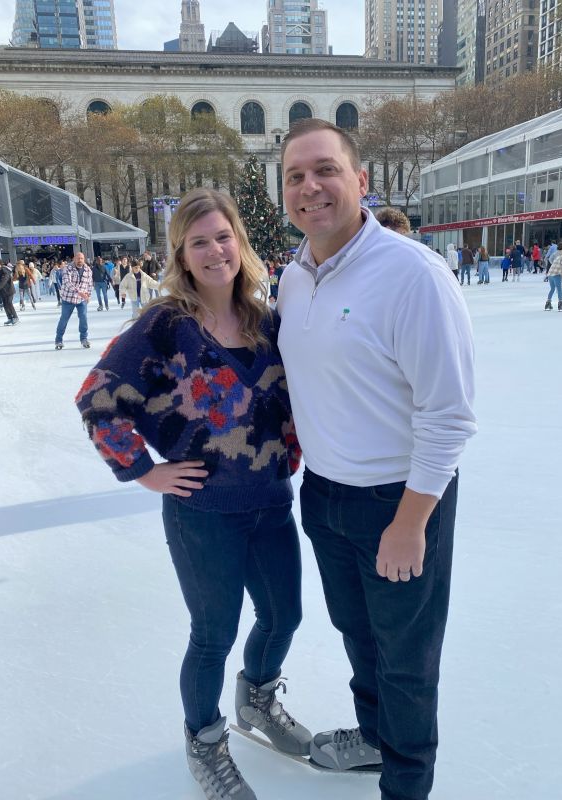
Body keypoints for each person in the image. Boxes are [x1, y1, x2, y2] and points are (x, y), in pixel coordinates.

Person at [75, 188, 310, 800]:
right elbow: (98, 398)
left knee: (284, 615)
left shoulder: (265, 321)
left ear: (240, 243)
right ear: (181, 252)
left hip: (270, 502)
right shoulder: (164, 326)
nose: (214, 251)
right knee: (213, 635)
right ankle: (204, 741)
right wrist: (143, 470)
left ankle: (256, 700)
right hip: (202, 513)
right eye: (198, 241)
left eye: (223, 237)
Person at [276, 118, 476, 800]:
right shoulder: (293, 277)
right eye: (295, 176)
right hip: (324, 497)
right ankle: (373, 738)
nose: (310, 187)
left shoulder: (412, 274)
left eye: (326, 170)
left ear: (361, 180)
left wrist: (411, 522)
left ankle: (406, 785)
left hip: (399, 501)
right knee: (359, 638)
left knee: (406, 661)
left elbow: (448, 415)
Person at [54, 252, 93, 350]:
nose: (80, 260)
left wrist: (88, 295)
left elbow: (89, 284)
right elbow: (67, 282)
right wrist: (79, 292)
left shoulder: (88, 270)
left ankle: (84, 339)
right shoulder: (67, 268)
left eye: (82, 258)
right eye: (78, 258)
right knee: (64, 319)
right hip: (68, 298)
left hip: (81, 299)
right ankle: (58, 340)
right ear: (74, 259)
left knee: (83, 318)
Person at [545, 241, 562, 311]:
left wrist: (554, 264)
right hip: (557, 273)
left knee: (552, 289)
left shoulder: (555, 253)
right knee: (559, 289)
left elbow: (550, 259)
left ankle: (548, 304)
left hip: (551, 273)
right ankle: (560, 304)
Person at [0, 258, 19, 326]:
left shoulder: (5, 270)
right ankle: (10, 318)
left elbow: (3, 281)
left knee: (9, 303)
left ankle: (15, 317)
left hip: (9, 290)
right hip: (2, 291)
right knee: (5, 305)